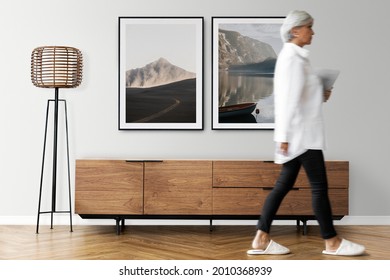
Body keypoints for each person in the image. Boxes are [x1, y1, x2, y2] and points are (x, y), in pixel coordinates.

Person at [247, 10, 365, 256]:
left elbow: (300, 98)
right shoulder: (291, 58)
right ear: (295, 30)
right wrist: (283, 137)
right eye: (310, 27)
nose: (313, 31)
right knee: (319, 188)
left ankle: (261, 238)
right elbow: (287, 100)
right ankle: (331, 242)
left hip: (299, 135)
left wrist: (321, 94)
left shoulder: (298, 58)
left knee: (282, 186)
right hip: (302, 137)